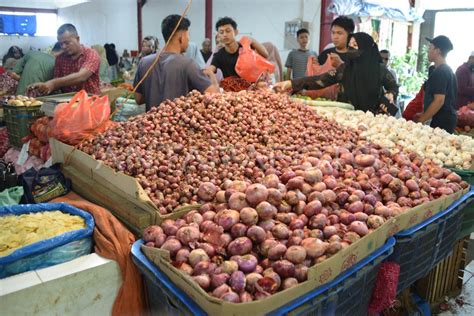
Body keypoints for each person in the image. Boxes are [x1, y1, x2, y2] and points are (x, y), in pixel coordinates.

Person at [274, 32, 398, 114]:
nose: (351, 49)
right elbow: (320, 80)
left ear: (366, 49)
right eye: (350, 45)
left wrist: (391, 94)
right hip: (352, 119)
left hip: (377, 122)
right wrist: (291, 83)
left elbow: (393, 86)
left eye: (355, 45)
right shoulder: (345, 70)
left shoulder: (379, 70)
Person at [133, 15, 219, 111]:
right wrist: (212, 77)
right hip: (178, 124)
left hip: (152, 123)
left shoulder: (144, 62)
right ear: (181, 38)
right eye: (188, 35)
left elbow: (138, 99)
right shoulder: (188, 64)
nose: (188, 39)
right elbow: (212, 96)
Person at [31, 23, 101, 95]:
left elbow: (82, 76)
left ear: (77, 39)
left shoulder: (91, 54)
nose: (64, 47)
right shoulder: (60, 58)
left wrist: (53, 83)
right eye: (61, 44)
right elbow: (57, 84)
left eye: (67, 43)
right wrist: (44, 87)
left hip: (91, 101)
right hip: (68, 102)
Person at [416, 36, 457, 133]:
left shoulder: (440, 72)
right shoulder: (447, 69)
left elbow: (439, 100)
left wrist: (422, 120)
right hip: (447, 119)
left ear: (437, 51)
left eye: (430, 48)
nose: (428, 51)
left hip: (441, 122)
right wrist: (424, 113)